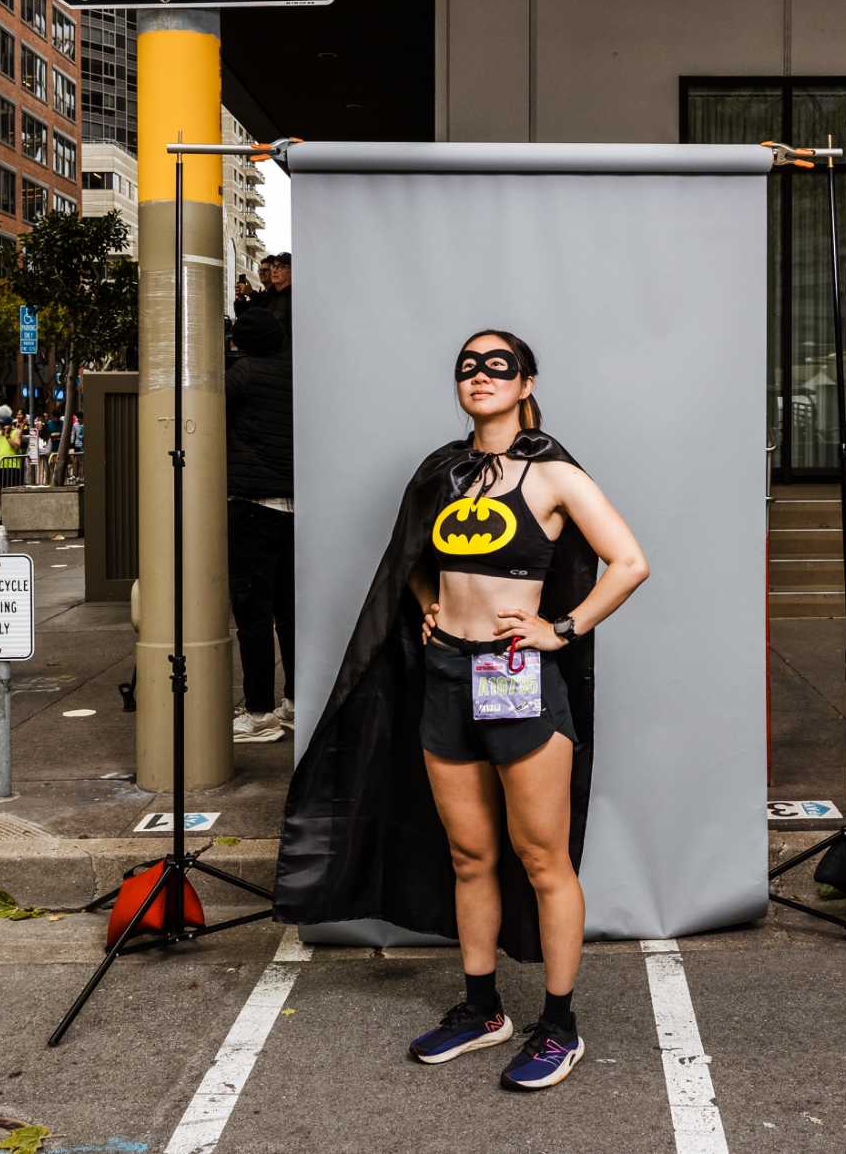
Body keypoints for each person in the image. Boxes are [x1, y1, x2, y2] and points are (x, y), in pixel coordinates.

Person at [276, 329, 650, 1093]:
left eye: (497, 366)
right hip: (448, 671)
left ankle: (559, 1024)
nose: (480, 376)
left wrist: (562, 628)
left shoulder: (551, 473)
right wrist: (426, 605)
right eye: (468, 366)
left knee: (543, 858)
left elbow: (630, 560)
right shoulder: (442, 472)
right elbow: (409, 558)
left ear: (525, 382)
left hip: (518, 677)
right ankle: (483, 1009)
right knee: (470, 853)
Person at [225, 308, 295, 743]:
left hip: (252, 504)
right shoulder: (295, 374)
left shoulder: (240, 375)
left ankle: (259, 712)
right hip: (296, 505)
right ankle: (296, 700)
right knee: (289, 610)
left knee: (252, 613)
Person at [262, 253, 292, 347]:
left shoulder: (294, 298)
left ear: (291, 271)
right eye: (274, 266)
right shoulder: (268, 296)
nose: (275, 270)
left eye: (281, 267)